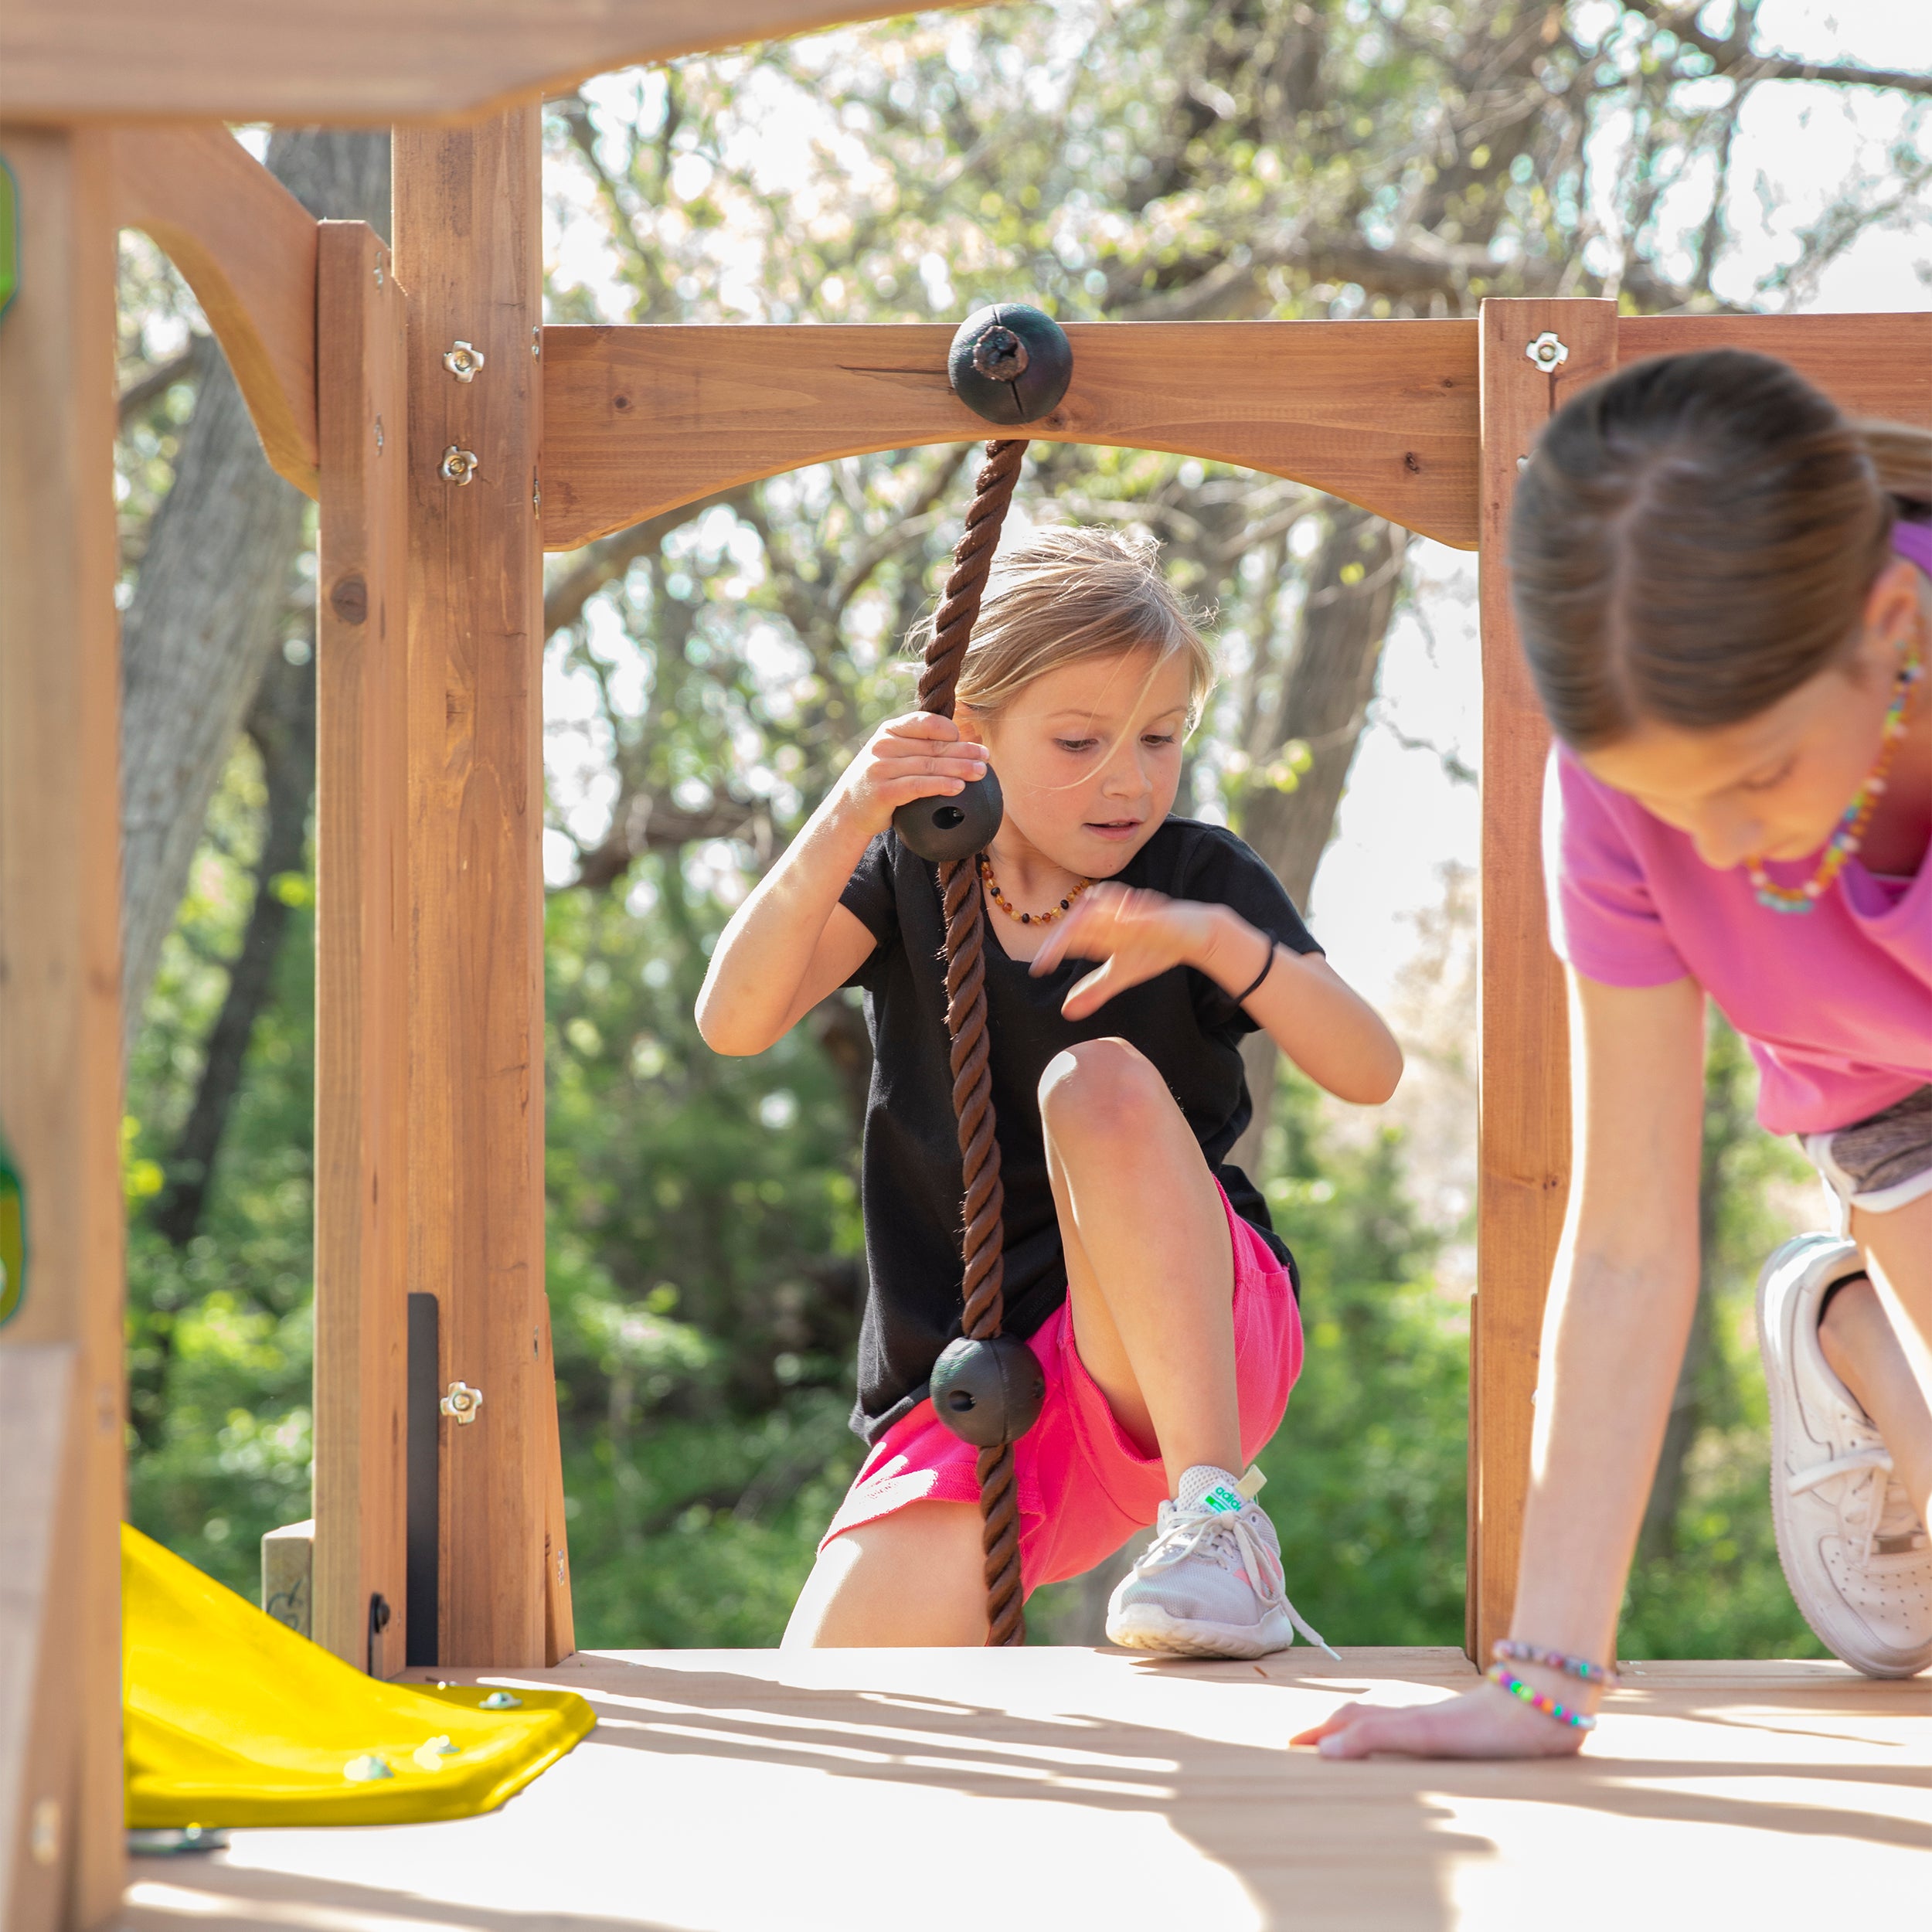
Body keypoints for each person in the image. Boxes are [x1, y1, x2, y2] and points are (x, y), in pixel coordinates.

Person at [1298, 349, 1932, 1760]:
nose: (1713, 850)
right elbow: (1630, 1236)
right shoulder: (1617, 796)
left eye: (1757, 775)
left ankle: (1857, 1337)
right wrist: (1539, 1684)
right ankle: (1856, 1324)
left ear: (1890, 623)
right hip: (1890, 1102)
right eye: (1668, 803)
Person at [697, 527, 1402, 1654]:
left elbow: (1371, 1071)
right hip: (978, 1398)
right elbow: (732, 1021)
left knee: (1098, 1082)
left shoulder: (1197, 881)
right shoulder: (909, 878)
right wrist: (852, 810)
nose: (1129, 778)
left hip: (1181, 1355)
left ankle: (1223, 1523)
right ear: (971, 737)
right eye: (1080, 740)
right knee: (834, 1695)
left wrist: (1218, 942)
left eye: (1162, 738)